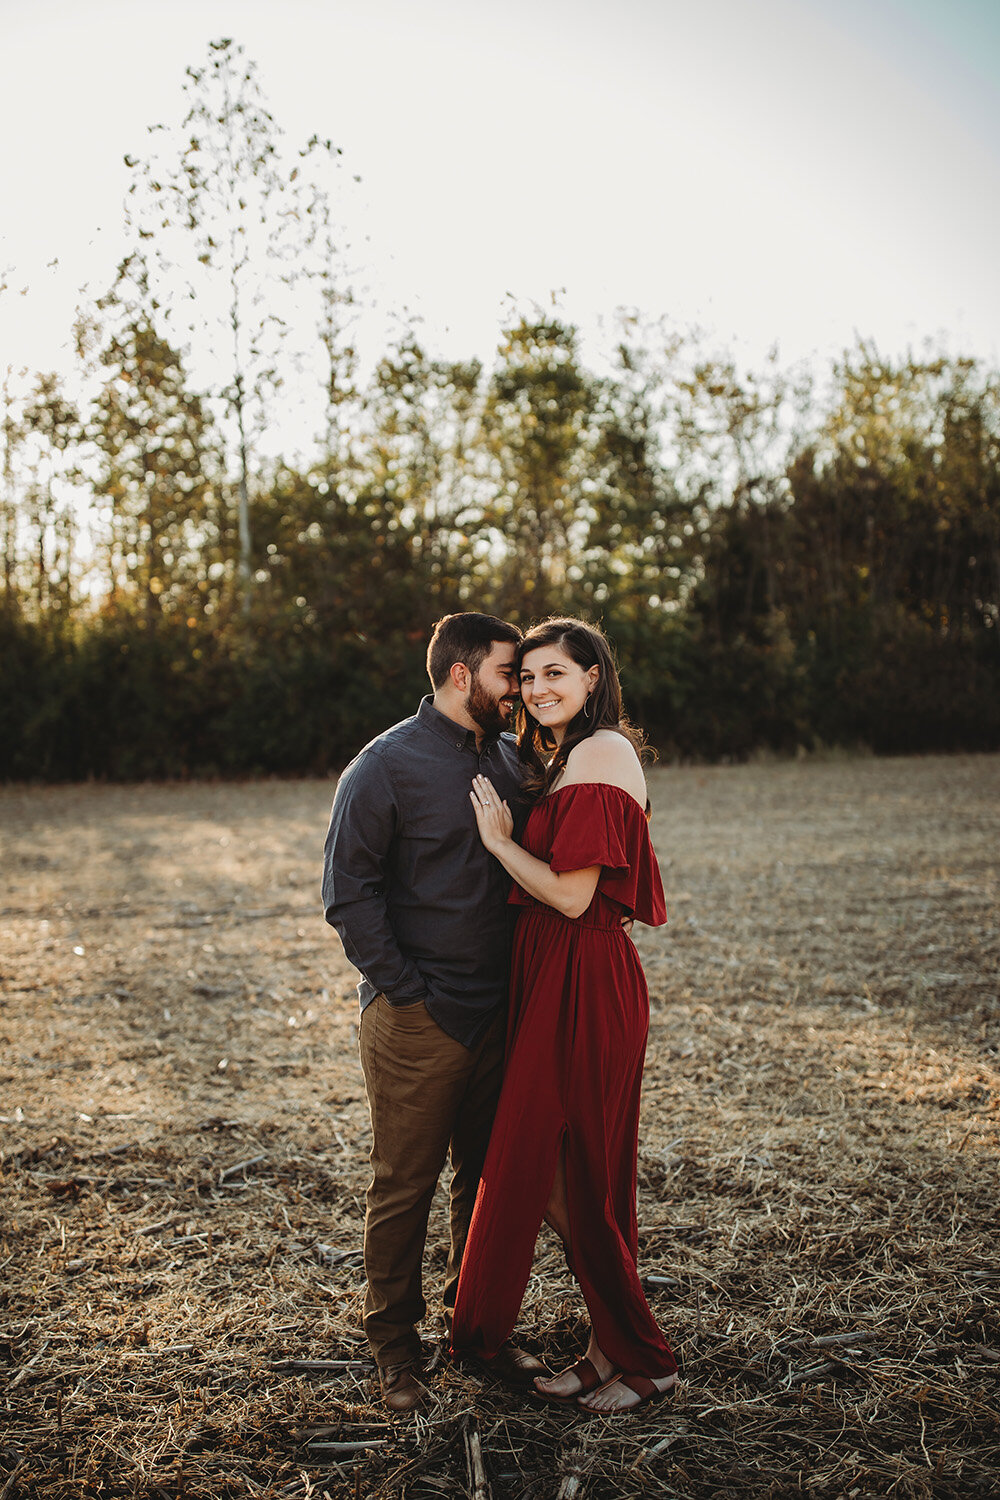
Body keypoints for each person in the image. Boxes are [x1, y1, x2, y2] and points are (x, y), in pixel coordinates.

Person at [451, 616, 679, 1414]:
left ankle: (646, 1359)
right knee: (575, 1173)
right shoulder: (566, 755)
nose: (539, 688)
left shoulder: (603, 751)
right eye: (530, 676)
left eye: (558, 674)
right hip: (556, 976)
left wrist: (500, 842)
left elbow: (576, 895)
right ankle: (604, 1347)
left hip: (585, 980)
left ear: (593, 678)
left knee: (568, 1172)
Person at [322, 612, 549, 1413]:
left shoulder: (511, 757)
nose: (518, 686)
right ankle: (395, 1352)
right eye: (507, 673)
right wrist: (407, 993)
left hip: (500, 1013)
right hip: (418, 1019)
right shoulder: (383, 767)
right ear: (462, 676)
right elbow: (347, 895)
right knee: (405, 1186)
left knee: (484, 1183)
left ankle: (477, 1333)